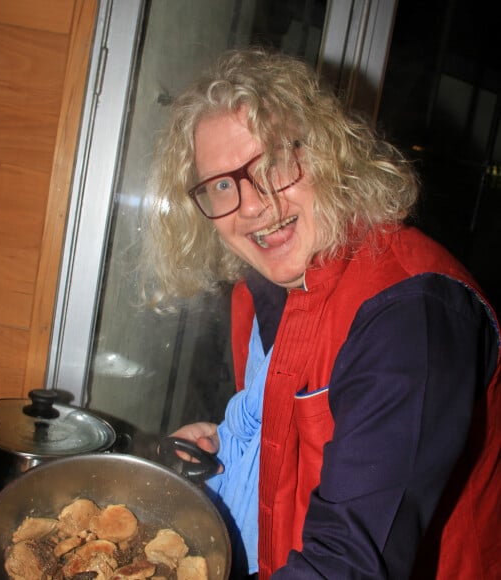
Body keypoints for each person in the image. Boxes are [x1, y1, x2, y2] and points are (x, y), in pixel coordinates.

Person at [140, 48, 500, 579]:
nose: (253, 205)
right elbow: (288, 435)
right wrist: (225, 446)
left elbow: (350, 565)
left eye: (275, 165)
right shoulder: (261, 289)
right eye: (220, 185)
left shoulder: (410, 316)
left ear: (332, 153)